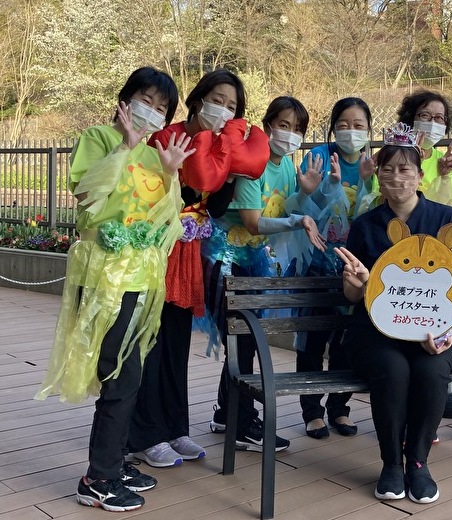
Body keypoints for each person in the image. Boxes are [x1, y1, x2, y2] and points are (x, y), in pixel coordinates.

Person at [34, 66, 193, 511]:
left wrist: (170, 175)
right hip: (104, 275)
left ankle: (115, 461)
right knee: (117, 373)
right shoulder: (98, 138)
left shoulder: (155, 155)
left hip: (142, 278)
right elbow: (88, 199)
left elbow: (168, 223)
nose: (152, 112)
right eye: (147, 100)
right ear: (125, 100)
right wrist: (124, 147)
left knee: (130, 371)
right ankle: (98, 478)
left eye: (162, 108)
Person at [127, 69, 266, 467]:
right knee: (150, 342)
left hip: (188, 254)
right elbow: (153, 196)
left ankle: (174, 427)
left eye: (232, 106)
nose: (223, 110)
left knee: (176, 341)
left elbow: (215, 209)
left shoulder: (223, 144)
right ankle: (144, 434)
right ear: (197, 99)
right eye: (217, 100)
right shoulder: (166, 137)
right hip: (157, 250)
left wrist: (230, 170)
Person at [334, 123, 452, 503]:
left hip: (432, 332)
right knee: (393, 370)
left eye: (405, 168)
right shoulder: (365, 225)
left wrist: (444, 334)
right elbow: (351, 295)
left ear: (419, 174)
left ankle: (418, 462)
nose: (396, 177)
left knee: (431, 371)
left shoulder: (448, 221)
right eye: (388, 168)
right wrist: (359, 282)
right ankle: (391, 463)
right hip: (373, 333)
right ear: (378, 174)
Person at [208, 96, 325, 451]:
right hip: (227, 257)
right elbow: (254, 222)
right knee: (242, 339)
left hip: (254, 260)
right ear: (268, 125)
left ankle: (227, 414)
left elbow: (286, 211)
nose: (290, 134)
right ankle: (242, 422)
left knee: (242, 339)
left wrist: (304, 194)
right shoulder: (252, 163)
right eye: (284, 125)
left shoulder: (287, 166)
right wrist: (297, 219)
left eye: (298, 129)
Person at [289, 97, 373, 439]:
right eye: (343, 124)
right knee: (313, 338)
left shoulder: (373, 164)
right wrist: (328, 186)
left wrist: (367, 182)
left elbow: (376, 211)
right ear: (333, 127)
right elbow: (301, 207)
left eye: (358, 125)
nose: (351, 131)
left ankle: (339, 408)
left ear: (369, 130)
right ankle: (312, 411)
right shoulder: (319, 158)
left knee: (347, 341)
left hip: (357, 267)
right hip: (318, 265)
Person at [368, 90, 452, 207]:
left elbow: (448, 206)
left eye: (439, 117)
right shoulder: (390, 159)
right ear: (410, 118)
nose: (432, 122)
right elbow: (380, 204)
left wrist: (444, 176)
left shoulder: (447, 163)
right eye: (425, 115)